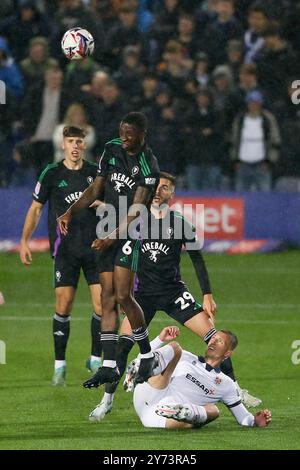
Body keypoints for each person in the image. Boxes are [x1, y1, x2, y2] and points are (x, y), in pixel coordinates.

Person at [90, 173, 261, 422]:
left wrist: (207, 294)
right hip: (143, 297)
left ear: (173, 194)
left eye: (166, 188)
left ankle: (235, 390)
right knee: (122, 344)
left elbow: (197, 259)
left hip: (173, 293)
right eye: (157, 187)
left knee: (216, 338)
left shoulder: (180, 223)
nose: (159, 191)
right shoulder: (136, 220)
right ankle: (107, 401)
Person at [57, 112, 160, 386]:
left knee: (124, 295)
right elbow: (95, 188)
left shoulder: (148, 164)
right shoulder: (111, 149)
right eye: (122, 131)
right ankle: (108, 365)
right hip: (106, 230)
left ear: (142, 134)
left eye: (130, 133)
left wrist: (112, 237)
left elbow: (137, 209)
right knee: (107, 298)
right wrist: (69, 211)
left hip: (129, 232)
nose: (124, 137)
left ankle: (147, 353)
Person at [20, 126, 102, 386]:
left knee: (102, 306)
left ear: (84, 145)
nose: (75, 146)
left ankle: (95, 359)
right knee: (63, 306)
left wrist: (103, 205)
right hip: (65, 251)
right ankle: (60, 366)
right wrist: (24, 241)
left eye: (79, 141)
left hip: (95, 249)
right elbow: (35, 209)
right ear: (63, 145)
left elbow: (112, 205)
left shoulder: (95, 173)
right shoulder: (52, 173)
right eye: (71, 141)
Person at [131, 326, 272, 429]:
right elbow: (143, 357)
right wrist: (160, 339)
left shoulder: (226, 384)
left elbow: (243, 417)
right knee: (176, 349)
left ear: (228, 354)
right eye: (213, 338)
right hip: (150, 394)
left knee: (214, 411)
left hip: (157, 418)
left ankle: (183, 412)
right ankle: (136, 373)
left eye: (219, 341)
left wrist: (254, 421)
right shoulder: (186, 357)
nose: (213, 342)